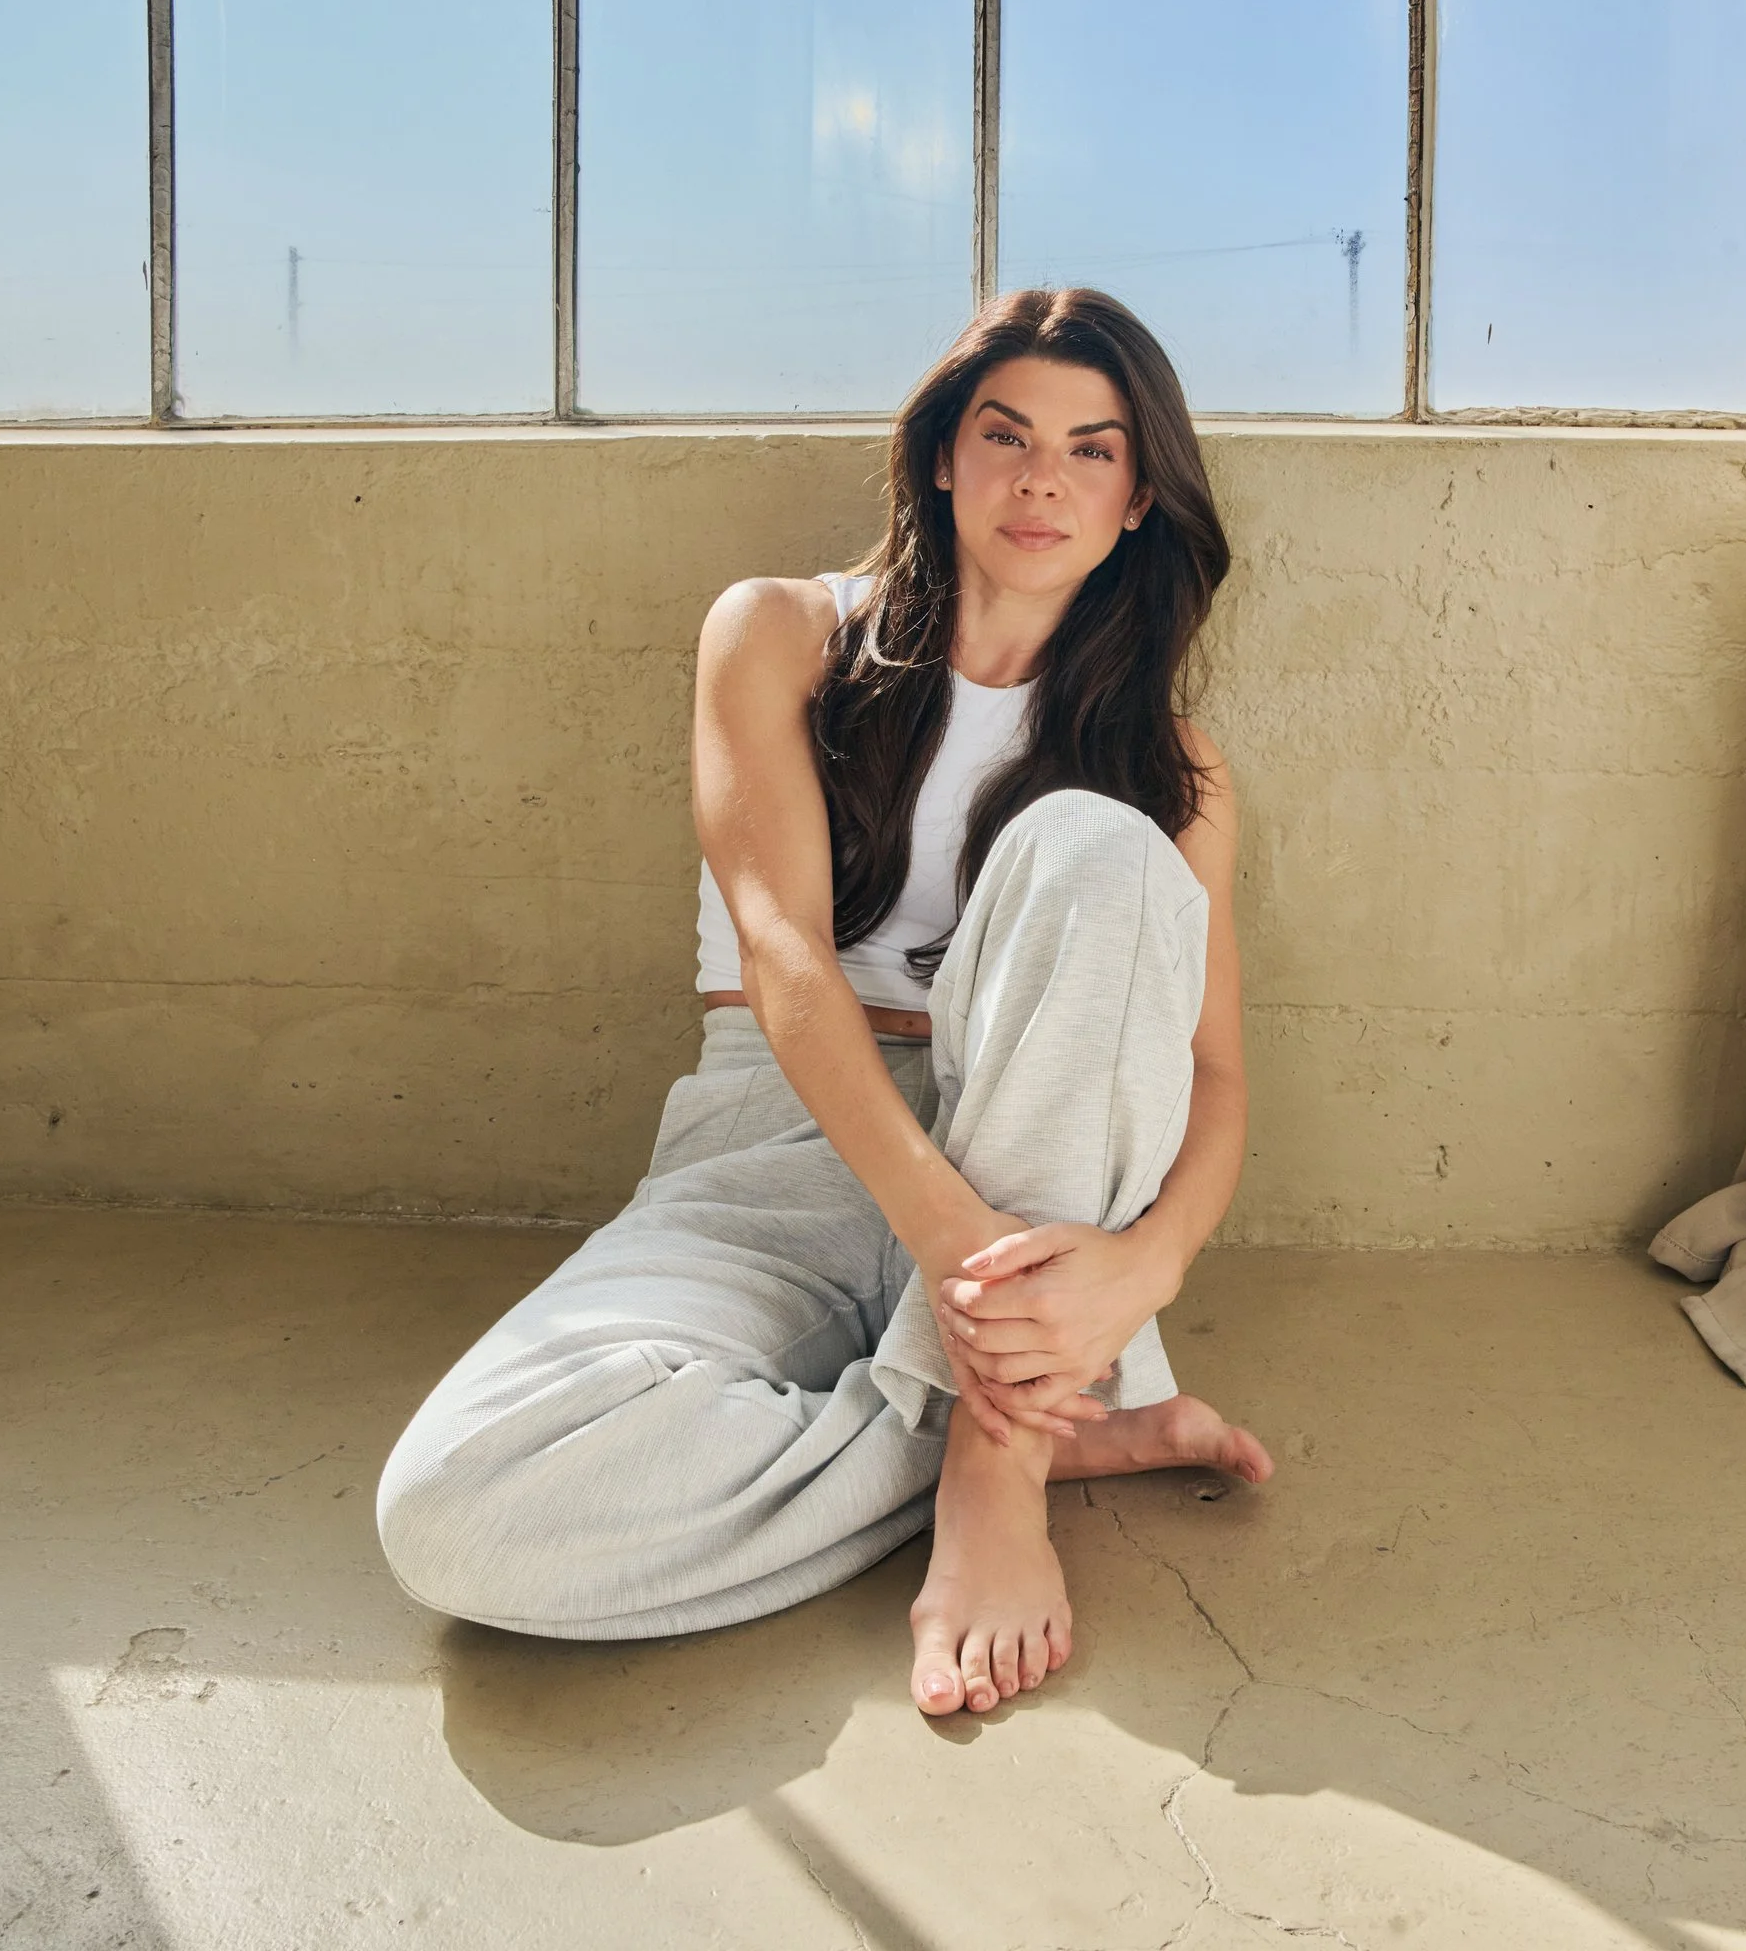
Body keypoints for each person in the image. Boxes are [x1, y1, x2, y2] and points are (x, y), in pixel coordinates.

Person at [377, 287, 1272, 1718]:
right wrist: (965, 1257)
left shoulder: (1175, 767)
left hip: (1041, 1164)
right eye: (1007, 435)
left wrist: (1145, 1270)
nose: (1043, 479)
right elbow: (782, 950)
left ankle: (994, 1469)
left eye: (1093, 450)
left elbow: (1212, 1074)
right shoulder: (781, 634)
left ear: (1139, 496)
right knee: (455, 1509)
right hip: (782, 1135)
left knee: (1094, 846)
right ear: (943, 456)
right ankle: (1017, 1420)